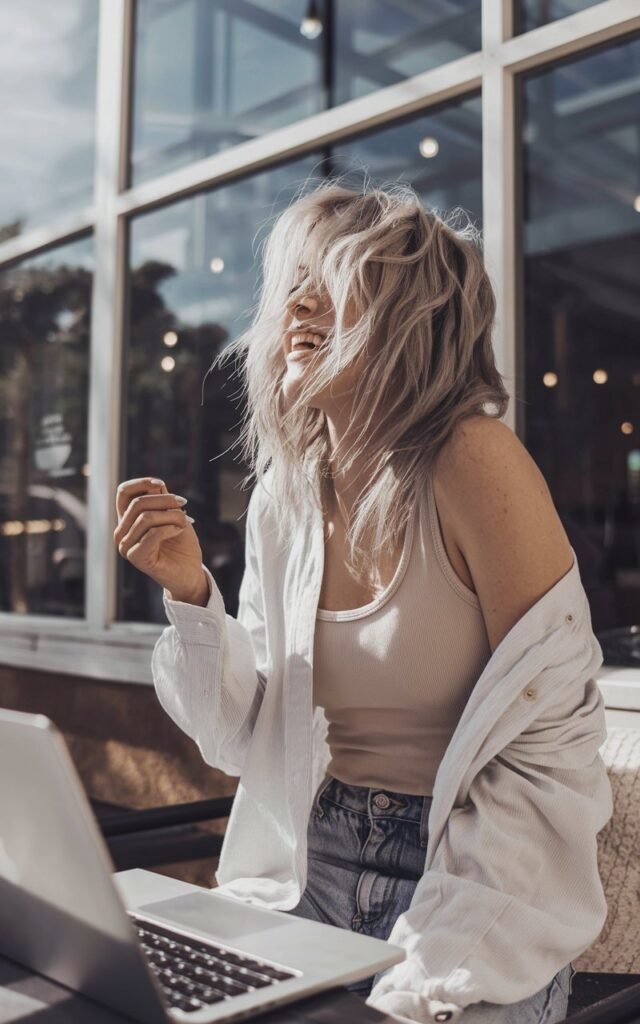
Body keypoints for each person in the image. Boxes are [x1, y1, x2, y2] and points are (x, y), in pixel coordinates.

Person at [114, 178, 611, 1023]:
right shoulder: (285, 494)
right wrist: (193, 594)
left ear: (409, 313)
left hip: (473, 882)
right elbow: (242, 737)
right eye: (292, 284)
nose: (298, 305)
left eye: (333, 280)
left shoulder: (473, 459)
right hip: (314, 860)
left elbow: (552, 750)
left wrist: (428, 978)